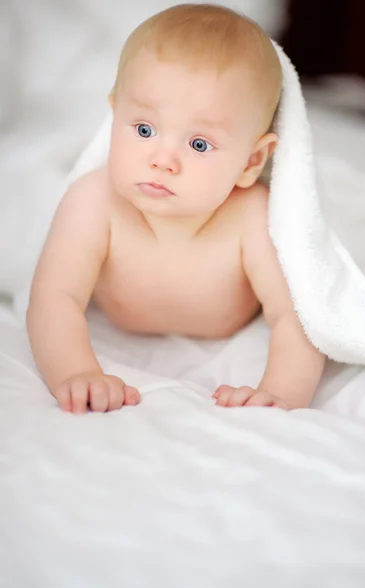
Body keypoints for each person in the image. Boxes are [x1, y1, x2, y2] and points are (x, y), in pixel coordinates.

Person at [27, 3, 326, 414]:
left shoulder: (252, 217)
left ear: (252, 161)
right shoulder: (94, 202)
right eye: (144, 129)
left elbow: (299, 316)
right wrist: (76, 371)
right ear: (115, 116)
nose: (162, 159)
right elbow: (53, 298)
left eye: (199, 144)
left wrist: (280, 392)